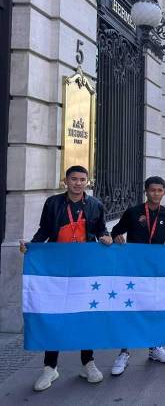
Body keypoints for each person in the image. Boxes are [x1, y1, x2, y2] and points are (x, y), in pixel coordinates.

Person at [21, 166, 113, 391]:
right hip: (57, 271)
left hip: (85, 270)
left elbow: (101, 231)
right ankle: (50, 367)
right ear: (66, 181)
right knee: (55, 314)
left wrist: (107, 238)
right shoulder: (53, 203)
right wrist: (31, 247)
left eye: (82, 179)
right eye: (74, 179)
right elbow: (44, 231)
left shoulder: (95, 205)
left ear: (87, 182)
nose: (78, 183)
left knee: (86, 314)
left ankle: (87, 362)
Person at [110, 176, 165, 375]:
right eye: (152, 190)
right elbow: (115, 231)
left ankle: (154, 347)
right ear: (146, 191)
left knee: (153, 307)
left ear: (164, 192)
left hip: (155, 270)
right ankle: (124, 352)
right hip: (134, 270)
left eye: (160, 190)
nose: (156, 193)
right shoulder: (133, 212)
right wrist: (116, 237)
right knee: (130, 309)